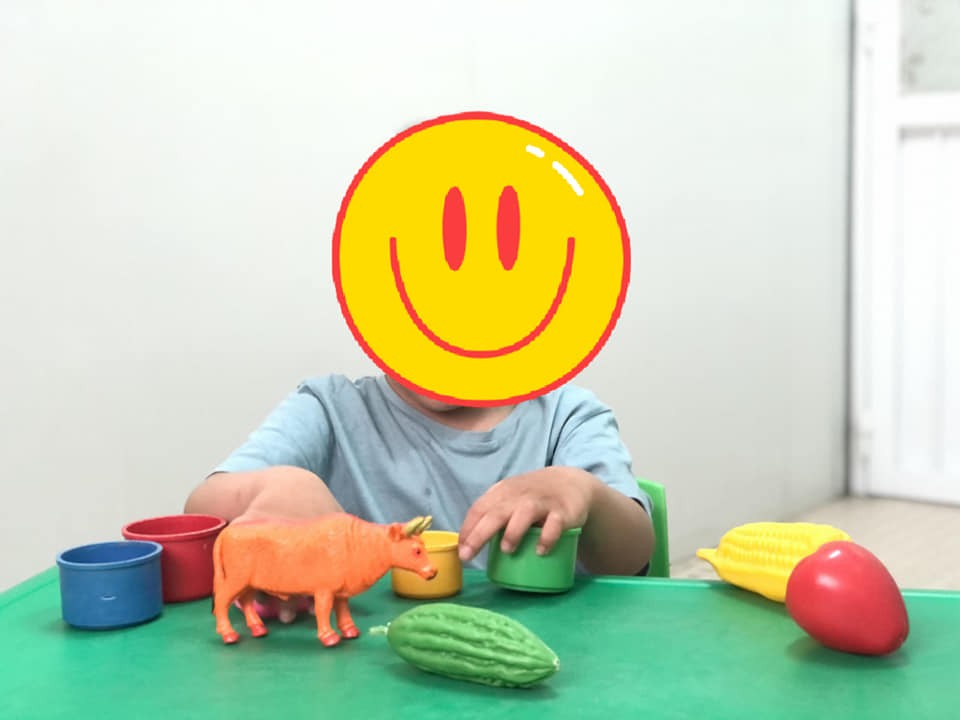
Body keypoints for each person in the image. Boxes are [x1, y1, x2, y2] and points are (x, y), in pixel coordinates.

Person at [185, 372, 655, 619]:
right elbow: (200, 511)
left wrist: (583, 491)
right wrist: (280, 487)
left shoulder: (565, 413)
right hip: (363, 672)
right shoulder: (328, 408)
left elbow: (634, 554)